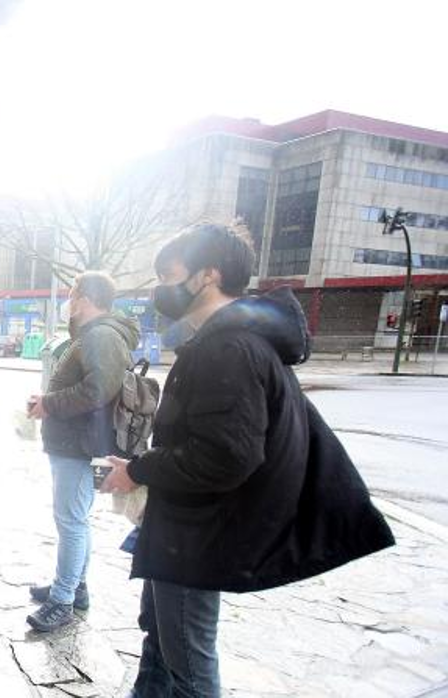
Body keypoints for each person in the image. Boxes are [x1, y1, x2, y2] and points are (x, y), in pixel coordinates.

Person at [102, 222, 394, 696]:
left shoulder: (229, 347)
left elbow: (225, 456)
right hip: (183, 530)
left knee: (189, 670)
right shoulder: (228, 340)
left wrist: (137, 470)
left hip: (196, 535)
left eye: (169, 274)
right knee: (161, 643)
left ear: (207, 275)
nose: (161, 287)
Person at [25, 271, 139, 632]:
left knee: (71, 521)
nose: (68, 302)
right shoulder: (98, 334)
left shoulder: (101, 335)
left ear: (86, 299)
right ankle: (76, 586)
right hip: (82, 444)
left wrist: (48, 403)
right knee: (77, 519)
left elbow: (96, 391)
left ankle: (63, 600)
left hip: (82, 447)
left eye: (72, 295)